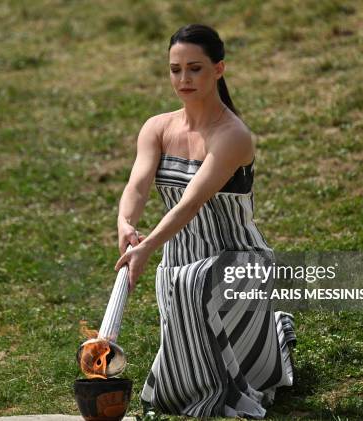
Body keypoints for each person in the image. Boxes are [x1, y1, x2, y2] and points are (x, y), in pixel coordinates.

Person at [113, 24, 296, 419]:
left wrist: (146, 246)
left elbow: (192, 202)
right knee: (180, 281)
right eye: (175, 69)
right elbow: (138, 186)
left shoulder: (233, 135)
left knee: (191, 285)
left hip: (240, 260)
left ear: (219, 69)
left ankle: (218, 391)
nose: (184, 79)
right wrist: (126, 223)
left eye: (195, 68)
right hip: (180, 259)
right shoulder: (157, 127)